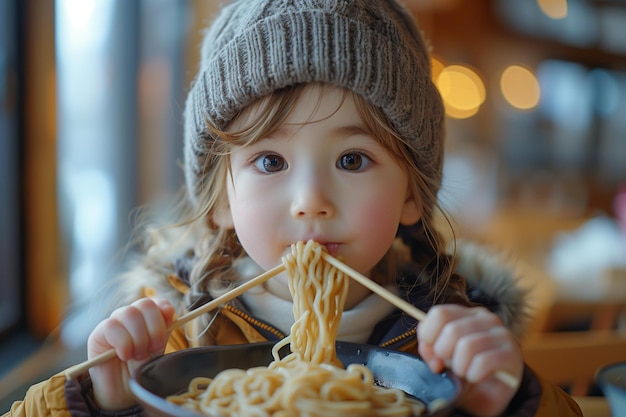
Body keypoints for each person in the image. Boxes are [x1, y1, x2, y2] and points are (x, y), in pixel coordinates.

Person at [5, 1, 582, 416]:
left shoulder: (449, 335)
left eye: (353, 160)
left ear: (412, 194)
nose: (311, 203)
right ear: (221, 200)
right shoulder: (174, 335)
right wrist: (105, 401)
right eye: (271, 162)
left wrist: (503, 400)